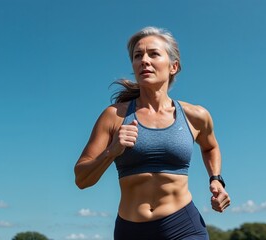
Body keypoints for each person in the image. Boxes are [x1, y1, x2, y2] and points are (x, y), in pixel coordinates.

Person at [74, 26, 230, 240]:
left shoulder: (196, 115)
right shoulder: (114, 116)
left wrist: (216, 179)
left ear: (173, 66)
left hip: (183, 227)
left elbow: (210, 146)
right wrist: (112, 151)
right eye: (138, 56)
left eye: (153, 54)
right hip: (131, 231)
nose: (144, 60)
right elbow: (81, 179)